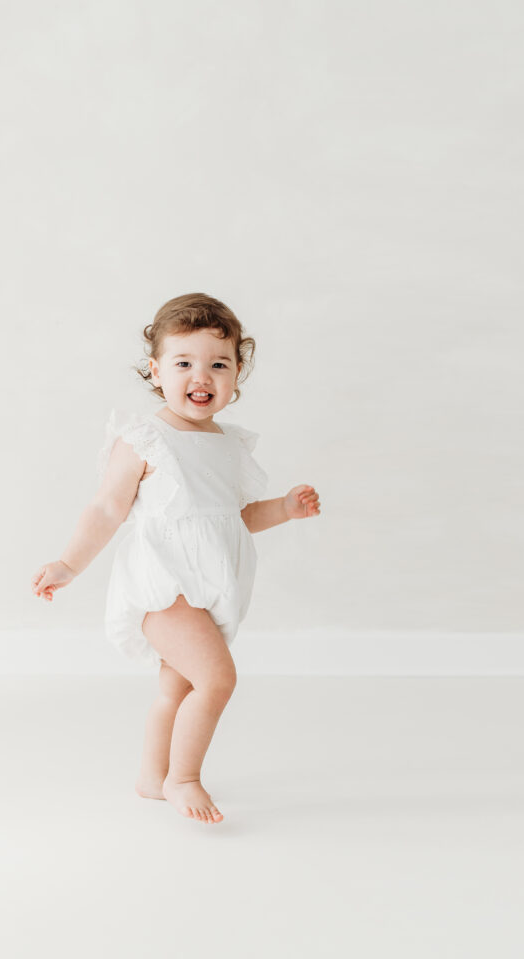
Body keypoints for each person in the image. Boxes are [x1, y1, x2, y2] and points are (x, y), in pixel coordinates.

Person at [31, 293, 321, 824]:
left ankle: (151, 776)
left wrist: (282, 508)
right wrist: (68, 564)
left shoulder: (227, 444)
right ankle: (184, 778)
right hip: (164, 586)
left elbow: (232, 517)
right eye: (183, 363)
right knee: (218, 680)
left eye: (218, 363)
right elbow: (106, 508)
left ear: (238, 372)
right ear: (156, 370)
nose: (200, 376)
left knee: (177, 686)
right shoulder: (146, 437)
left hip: (210, 585)